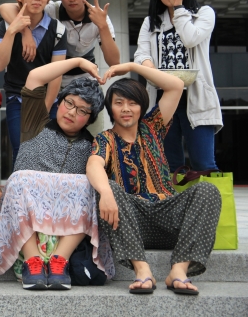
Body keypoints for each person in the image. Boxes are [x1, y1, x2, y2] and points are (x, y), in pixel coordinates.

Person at [86, 62, 222, 295]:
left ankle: (178, 271)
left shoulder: (153, 127)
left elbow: (176, 85)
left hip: (169, 216)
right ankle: (142, 270)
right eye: (119, 103)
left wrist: (131, 66)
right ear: (111, 109)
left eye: (132, 103)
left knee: (208, 191)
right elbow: (94, 164)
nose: (126, 109)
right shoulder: (105, 139)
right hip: (132, 225)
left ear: (141, 107)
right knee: (107, 186)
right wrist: (106, 192)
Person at [0, 58, 114, 290]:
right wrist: (78, 61)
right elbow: (35, 77)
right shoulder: (35, 123)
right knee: (19, 179)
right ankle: (32, 262)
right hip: (27, 230)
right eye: (69, 103)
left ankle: (59, 262)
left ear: (91, 118)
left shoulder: (93, 146)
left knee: (89, 185)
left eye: (82, 110)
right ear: (60, 101)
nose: (72, 112)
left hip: (68, 233)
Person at [0, 0, 120, 120]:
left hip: (86, 82)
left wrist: (102, 26)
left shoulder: (99, 17)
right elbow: (5, 7)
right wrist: (25, 31)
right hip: (54, 83)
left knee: (91, 130)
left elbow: (114, 61)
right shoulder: (51, 9)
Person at [134, 0, 222, 173]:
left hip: (196, 97)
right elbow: (141, 54)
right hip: (162, 100)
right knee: (169, 167)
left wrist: (179, 9)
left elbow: (190, 39)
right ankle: (173, 196)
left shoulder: (204, 14)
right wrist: (151, 70)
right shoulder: (150, 22)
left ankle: (211, 197)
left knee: (204, 165)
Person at [0, 0, 68, 164]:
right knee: (21, 153)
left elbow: (56, 75)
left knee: (50, 156)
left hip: (48, 101)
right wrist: (14, 31)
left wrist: (43, 112)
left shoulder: (58, 30)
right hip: (18, 100)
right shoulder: (4, 26)